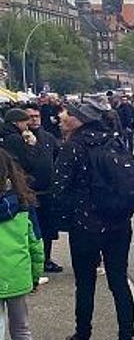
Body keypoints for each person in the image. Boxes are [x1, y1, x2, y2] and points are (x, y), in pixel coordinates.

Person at [53, 102, 134, 340]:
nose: (62, 116)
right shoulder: (114, 141)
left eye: (68, 113)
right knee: (119, 280)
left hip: (85, 224)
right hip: (118, 222)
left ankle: (82, 337)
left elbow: (59, 188)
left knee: (85, 283)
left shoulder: (73, 146)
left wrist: (70, 215)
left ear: (79, 120)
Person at [0, 150, 44, 340]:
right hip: (17, 274)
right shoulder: (23, 202)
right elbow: (35, 243)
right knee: (20, 327)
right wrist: (35, 275)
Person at [22, 104, 63, 273]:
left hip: (48, 190)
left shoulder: (48, 137)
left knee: (47, 228)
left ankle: (46, 258)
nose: (34, 119)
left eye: (36, 116)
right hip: (29, 192)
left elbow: (59, 156)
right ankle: (32, 262)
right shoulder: (19, 139)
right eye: (30, 117)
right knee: (31, 229)